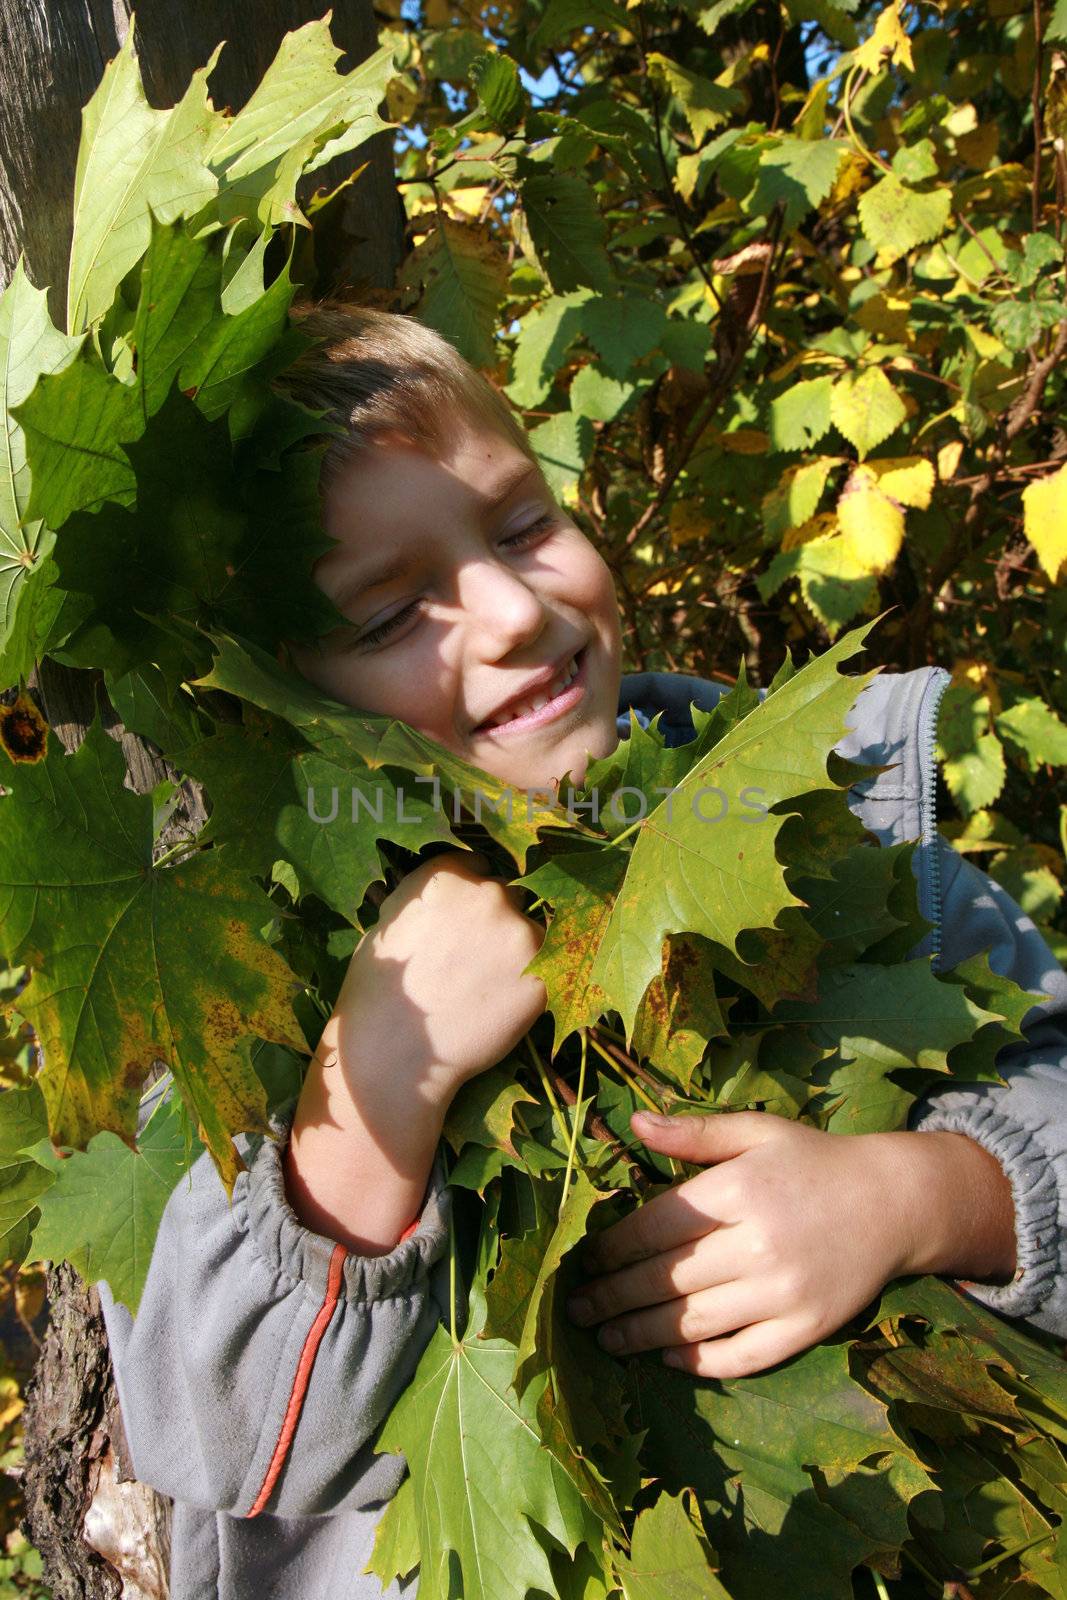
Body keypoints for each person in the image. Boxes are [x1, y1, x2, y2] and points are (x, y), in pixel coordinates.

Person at [98, 303, 1067, 1599]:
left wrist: (925, 1196)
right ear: (268, 692)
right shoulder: (241, 981)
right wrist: (376, 1082)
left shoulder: (818, 813)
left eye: (521, 527)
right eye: (392, 616)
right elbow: (213, 1437)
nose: (508, 608)